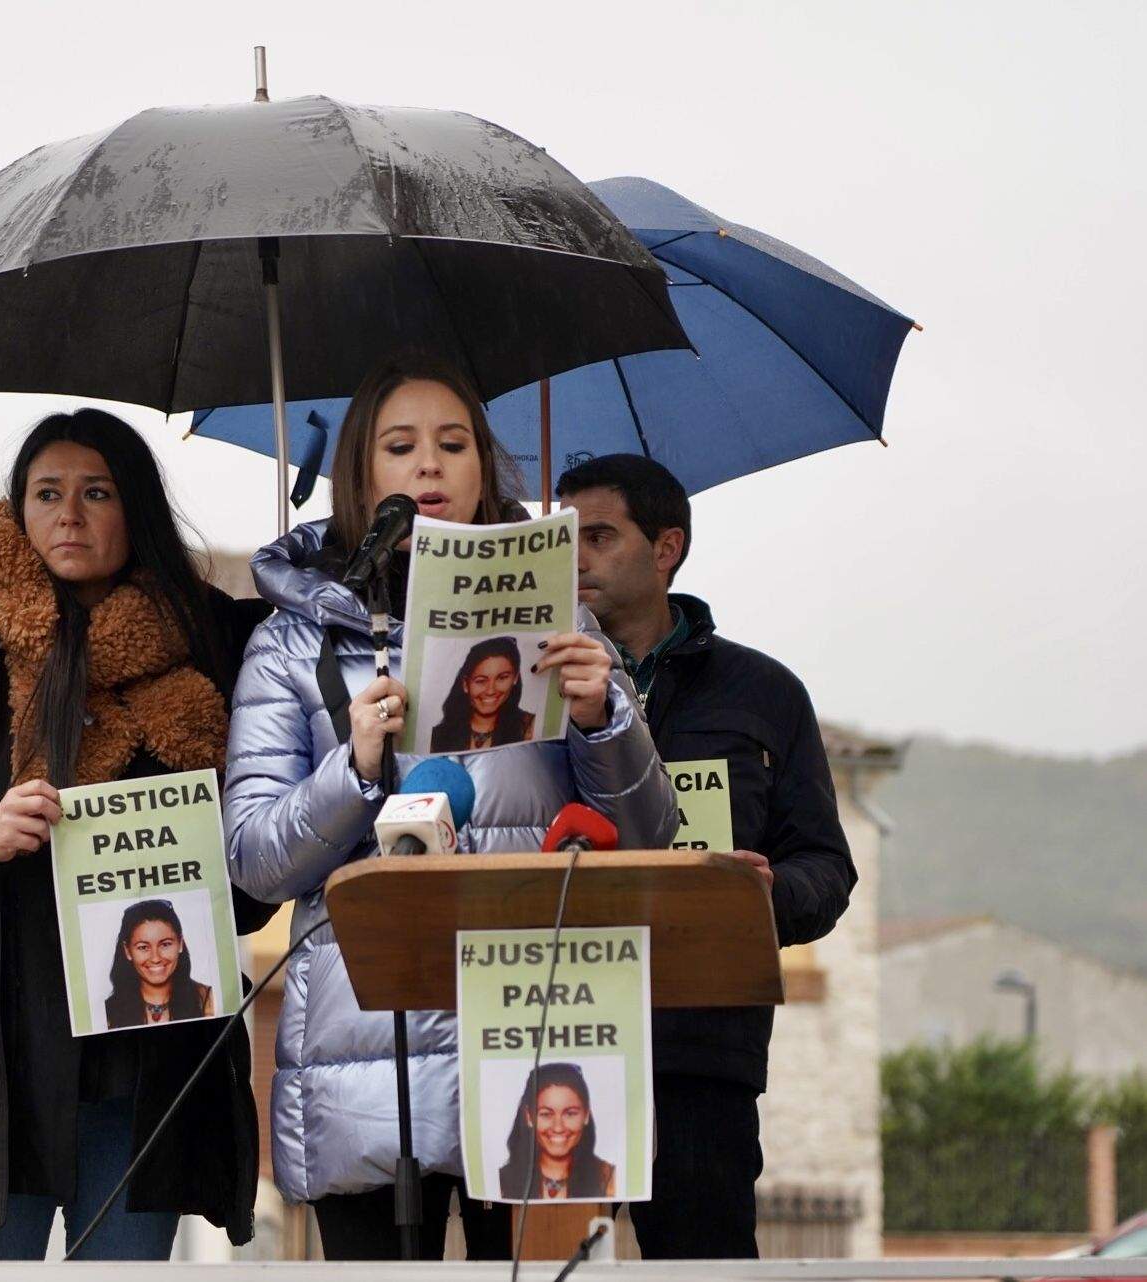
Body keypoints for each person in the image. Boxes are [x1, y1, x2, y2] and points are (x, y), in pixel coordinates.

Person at [223, 354, 677, 1261]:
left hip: (535, 1026)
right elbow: (256, 863)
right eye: (400, 446)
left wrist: (605, 719)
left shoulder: (565, 622)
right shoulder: (290, 643)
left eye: (453, 443)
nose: (429, 465)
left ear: (485, 468)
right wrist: (353, 767)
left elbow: (649, 834)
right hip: (365, 1048)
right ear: (362, 474)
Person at [0, 408, 277, 1260]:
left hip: (147, 1075)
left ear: (137, 510)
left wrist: (215, 856)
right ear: (18, 511)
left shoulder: (221, 650)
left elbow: (253, 896)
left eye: (97, 493)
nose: (69, 514)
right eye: (47, 493)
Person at [556, 454, 856, 1259]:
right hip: (550, 1028)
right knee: (540, 1268)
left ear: (667, 549)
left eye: (599, 536)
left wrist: (767, 894)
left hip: (700, 1046)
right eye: (562, 538)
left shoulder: (763, 693)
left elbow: (826, 866)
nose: (575, 557)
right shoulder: (519, 684)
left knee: (703, 1266)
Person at [497, 1063, 617, 1201]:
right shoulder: (501, 1182)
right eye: (546, 1114)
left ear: (586, 1115)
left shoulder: (609, 1178)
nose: (558, 1128)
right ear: (529, 1117)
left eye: (570, 1113)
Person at [103, 899, 216, 1028]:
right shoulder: (108, 1013)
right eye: (143, 947)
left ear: (180, 943)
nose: (155, 958)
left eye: (165, 944)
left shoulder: (208, 1000)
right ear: (127, 951)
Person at [429, 636, 534, 752]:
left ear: (515, 678)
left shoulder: (530, 727)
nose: (491, 691)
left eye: (502, 678)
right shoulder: (438, 736)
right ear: (465, 684)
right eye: (481, 681)